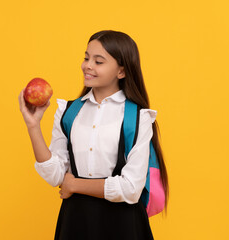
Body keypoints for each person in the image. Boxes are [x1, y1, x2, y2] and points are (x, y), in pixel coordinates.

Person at [18, 30, 169, 240]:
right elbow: (54, 175)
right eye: (86, 58)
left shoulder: (138, 117)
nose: (87, 65)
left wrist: (74, 184)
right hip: (76, 222)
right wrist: (33, 125)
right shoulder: (68, 112)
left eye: (99, 61)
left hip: (124, 225)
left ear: (121, 72)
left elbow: (131, 188)